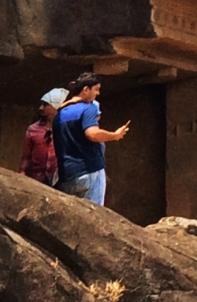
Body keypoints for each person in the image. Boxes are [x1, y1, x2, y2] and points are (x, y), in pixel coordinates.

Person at [52, 73, 127, 205]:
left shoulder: (60, 114)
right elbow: (92, 134)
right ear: (86, 90)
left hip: (67, 175)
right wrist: (115, 135)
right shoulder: (88, 109)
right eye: (96, 89)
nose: (98, 93)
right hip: (89, 172)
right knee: (95, 217)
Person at [21, 88, 64, 184]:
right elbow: (26, 156)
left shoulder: (64, 128)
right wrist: (22, 172)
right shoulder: (32, 129)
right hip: (36, 178)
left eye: (45, 105)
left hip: (58, 179)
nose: (41, 108)